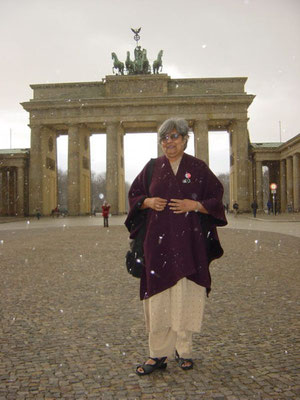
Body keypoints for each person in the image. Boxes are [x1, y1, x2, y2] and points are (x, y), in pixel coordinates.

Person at [126, 118, 227, 375]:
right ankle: (158, 353)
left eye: (173, 137)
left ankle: (184, 349)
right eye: (164, 138)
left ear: (184, 139)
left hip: (189, 242)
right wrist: (147, 202)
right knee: (158, 299)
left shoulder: (198, 167)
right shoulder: (151, 167)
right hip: (157, 244)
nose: (168, 142)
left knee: (185, 296)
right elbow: (134, 195)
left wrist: (195, 205)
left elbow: (216, 196)